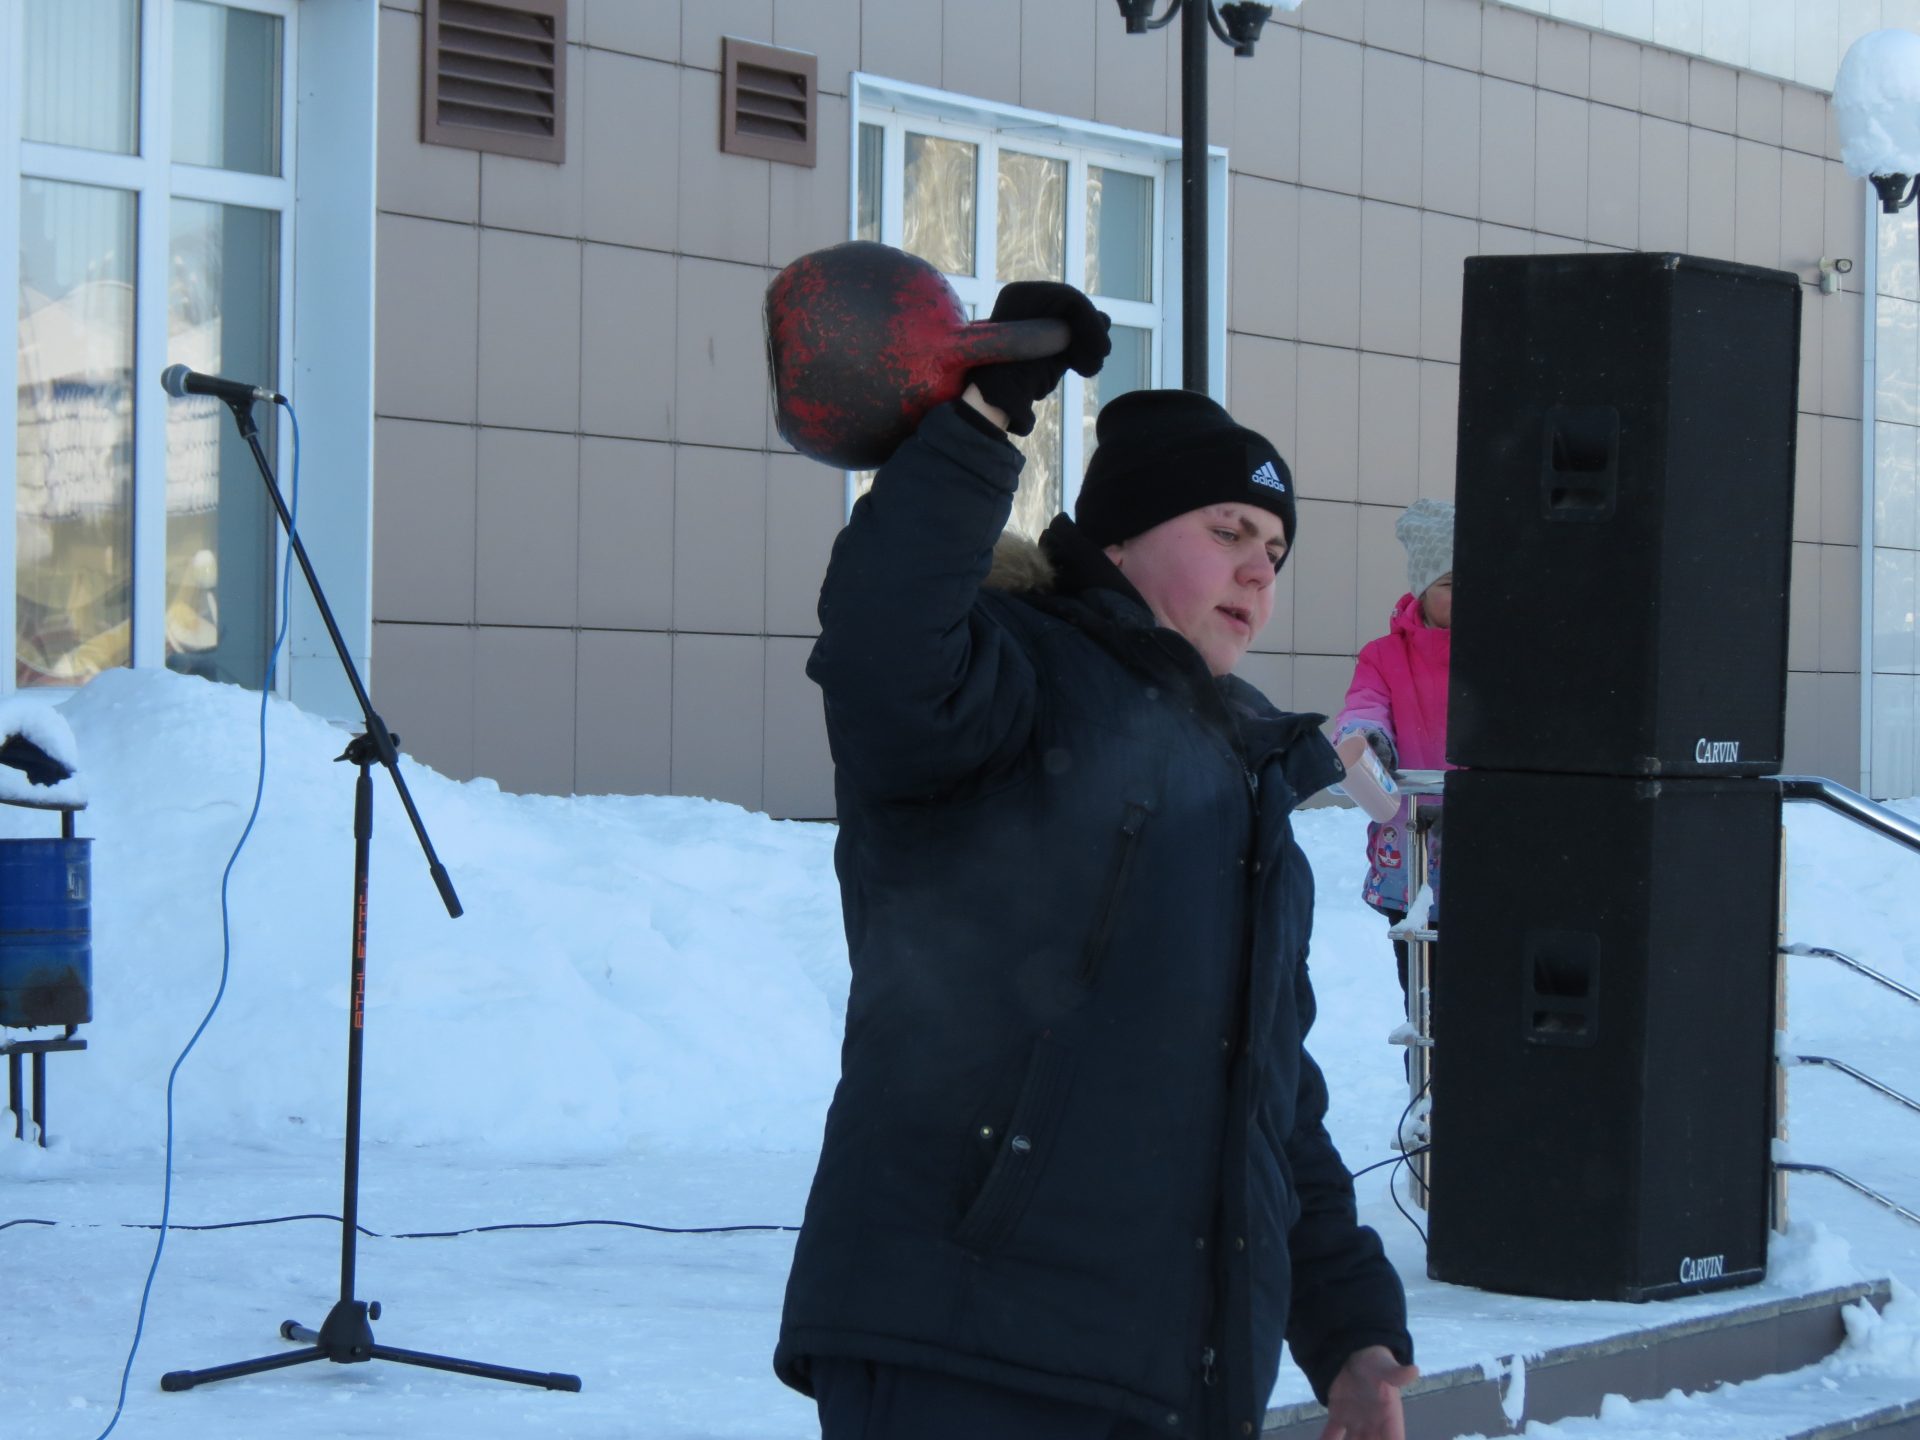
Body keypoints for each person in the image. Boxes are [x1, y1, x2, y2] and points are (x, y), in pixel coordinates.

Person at [774, 279, 1416, 1440]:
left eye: (1275, 549)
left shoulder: (1244, 778)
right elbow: (881, 644)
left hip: (1168, 1383)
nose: (1260, 571)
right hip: (966, 1351)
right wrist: (978, 424)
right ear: (1117, 537)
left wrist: (1351, 1335)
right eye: (1227, 531)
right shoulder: (1009, 675)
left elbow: (1270, 1103)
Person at [1330, 500, 1455, 997]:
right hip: (1411, 848)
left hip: (1490, 846)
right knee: (1425, 993)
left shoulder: (1506, 651)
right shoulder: (1385, 656)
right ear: (1423, 588)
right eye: (1451, 584)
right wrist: (1367, 741)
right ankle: (1426, 1050)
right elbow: (1365, 705)